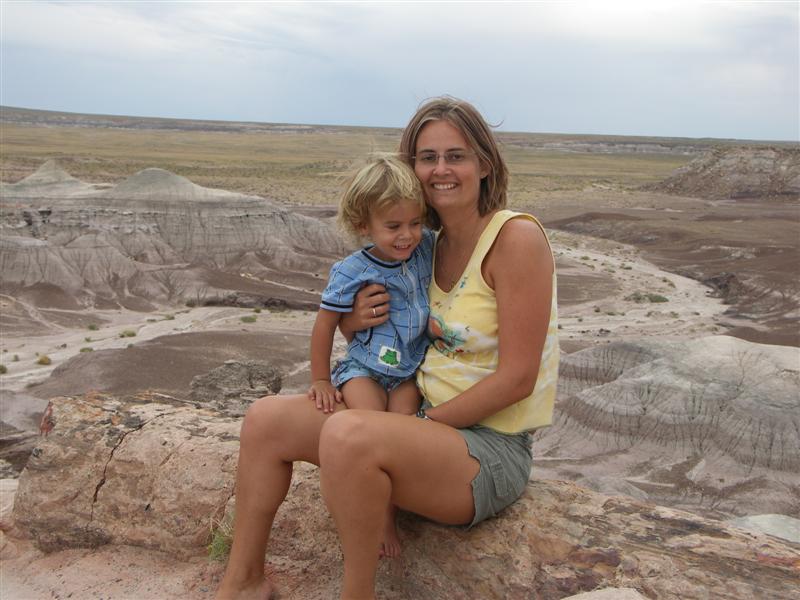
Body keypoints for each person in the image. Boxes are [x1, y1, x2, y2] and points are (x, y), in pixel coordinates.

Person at [215, 96, 559, 600]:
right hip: (411, 424)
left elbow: (517, 379)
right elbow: (390, 342)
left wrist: (411, 427)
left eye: (456, 155)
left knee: (352, 434)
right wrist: (355, 323)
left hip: (484, 448)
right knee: (266, 420)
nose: (441, 169)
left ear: (484, 164)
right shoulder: (423, 246)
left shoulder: (516, 239)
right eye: (427, 157)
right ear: (411, 169)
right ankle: (242, 582)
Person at [308, 153, 434, 556]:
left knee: (400, 434)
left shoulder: (424, 252)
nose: (407, 235)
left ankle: (392, 511)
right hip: (364, 368)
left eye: (415, 223)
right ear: (364, 225)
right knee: (369, 430)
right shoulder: (351, 271)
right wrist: (321, 379)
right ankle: (378, 519)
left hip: (408, 371)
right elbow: (325, 324)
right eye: (393, 226)